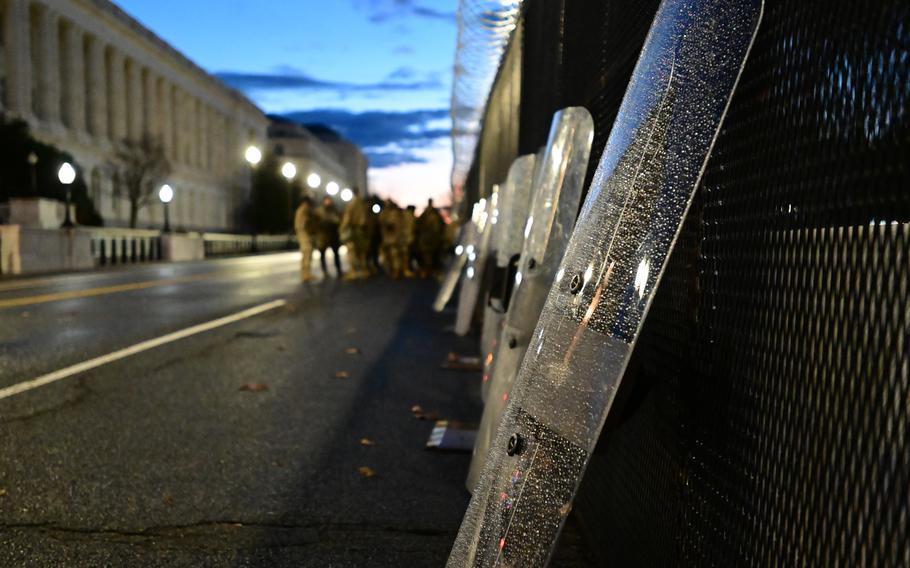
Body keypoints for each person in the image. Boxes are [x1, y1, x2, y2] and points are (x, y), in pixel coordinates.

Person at [339, 187, 369, 279]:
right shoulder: (363, 204)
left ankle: (354, 272)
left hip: (353, 231)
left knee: (352, 252)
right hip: (363, 231)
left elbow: (347, 219)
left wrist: (342, 229)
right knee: (362, 252)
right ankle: (364, 271)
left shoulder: (351, 204)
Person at [315, 196, 343, 278]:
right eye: (327, 201)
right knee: (322, 254)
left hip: (333, 235)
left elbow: (339, 220)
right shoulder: (319, 211)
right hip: (323, 236)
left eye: (329, 200)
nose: (328, 202)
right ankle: (325, 271)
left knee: (336, 254)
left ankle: (339, 270)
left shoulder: (334, 210)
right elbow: (315, 222)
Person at [416, 199, 445, 278]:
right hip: (431, 238)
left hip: (429, 238)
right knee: (429, 255)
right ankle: (428, 271)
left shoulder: (427, 214)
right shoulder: (433, 214)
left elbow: (418, 225)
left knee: (428, 255)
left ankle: (427, 271)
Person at [293, 196, 317, 281]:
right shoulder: (304, 209)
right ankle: (306, 274)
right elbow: (305, 223)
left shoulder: (301, 209)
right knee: (307, 252)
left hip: (303, 233)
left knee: (307, 253)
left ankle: (306, 274)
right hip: (304, 233)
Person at [379, 199, 403, 278]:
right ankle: (392, 270)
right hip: (388, 238)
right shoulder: (386, 213)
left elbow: (393, 225)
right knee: (389, 256)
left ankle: (396, 271)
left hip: (393, 238)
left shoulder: (394, 214)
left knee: (395, 255)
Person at [399, 205, 417, 278]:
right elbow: (411, 228)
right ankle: (405, 270)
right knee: (406, 255)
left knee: (404, 254)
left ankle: (402, 269)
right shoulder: (409, 216)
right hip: (407, 239)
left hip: (402, 238)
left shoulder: (402, 215)